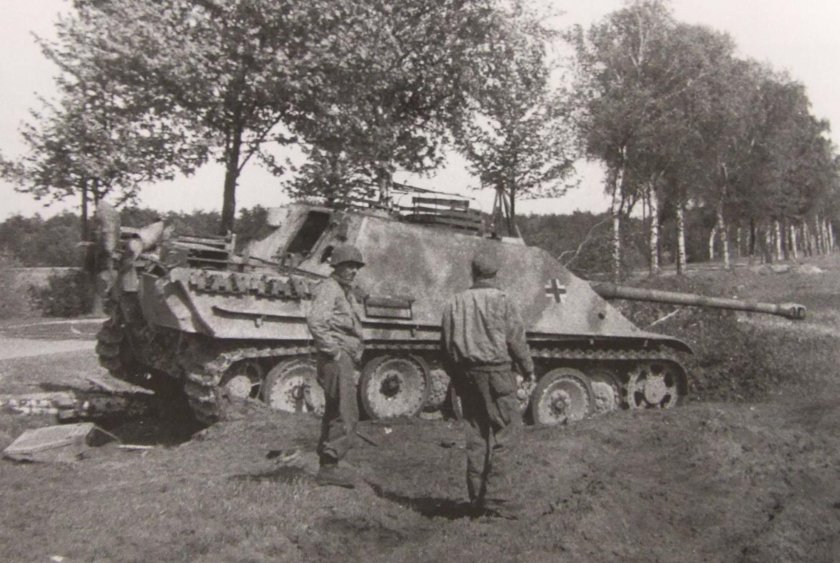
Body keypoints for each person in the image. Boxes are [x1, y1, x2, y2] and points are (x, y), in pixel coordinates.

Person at [441, 249, 535, 518]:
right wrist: (528, 369)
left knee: (476, 435)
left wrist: (457, 375)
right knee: (507, 432)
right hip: (496, 374)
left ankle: (477, 499)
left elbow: (445, 345)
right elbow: (515, 340)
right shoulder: (502, 301)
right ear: (495, 274)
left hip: (466, 375)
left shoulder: (454, 302)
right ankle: (498, 498)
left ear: (473, 272)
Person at [306, 244, 366, 488]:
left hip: (341, 357)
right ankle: (330, 467)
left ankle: (328, 464)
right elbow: (316, 322)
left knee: (334, 410)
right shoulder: (330, 288)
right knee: (346, 413)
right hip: (336, 359)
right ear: (337, 266)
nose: (353, 271)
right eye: (349, 266)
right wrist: (335, 351)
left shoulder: (343, 290)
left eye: (356, 267)